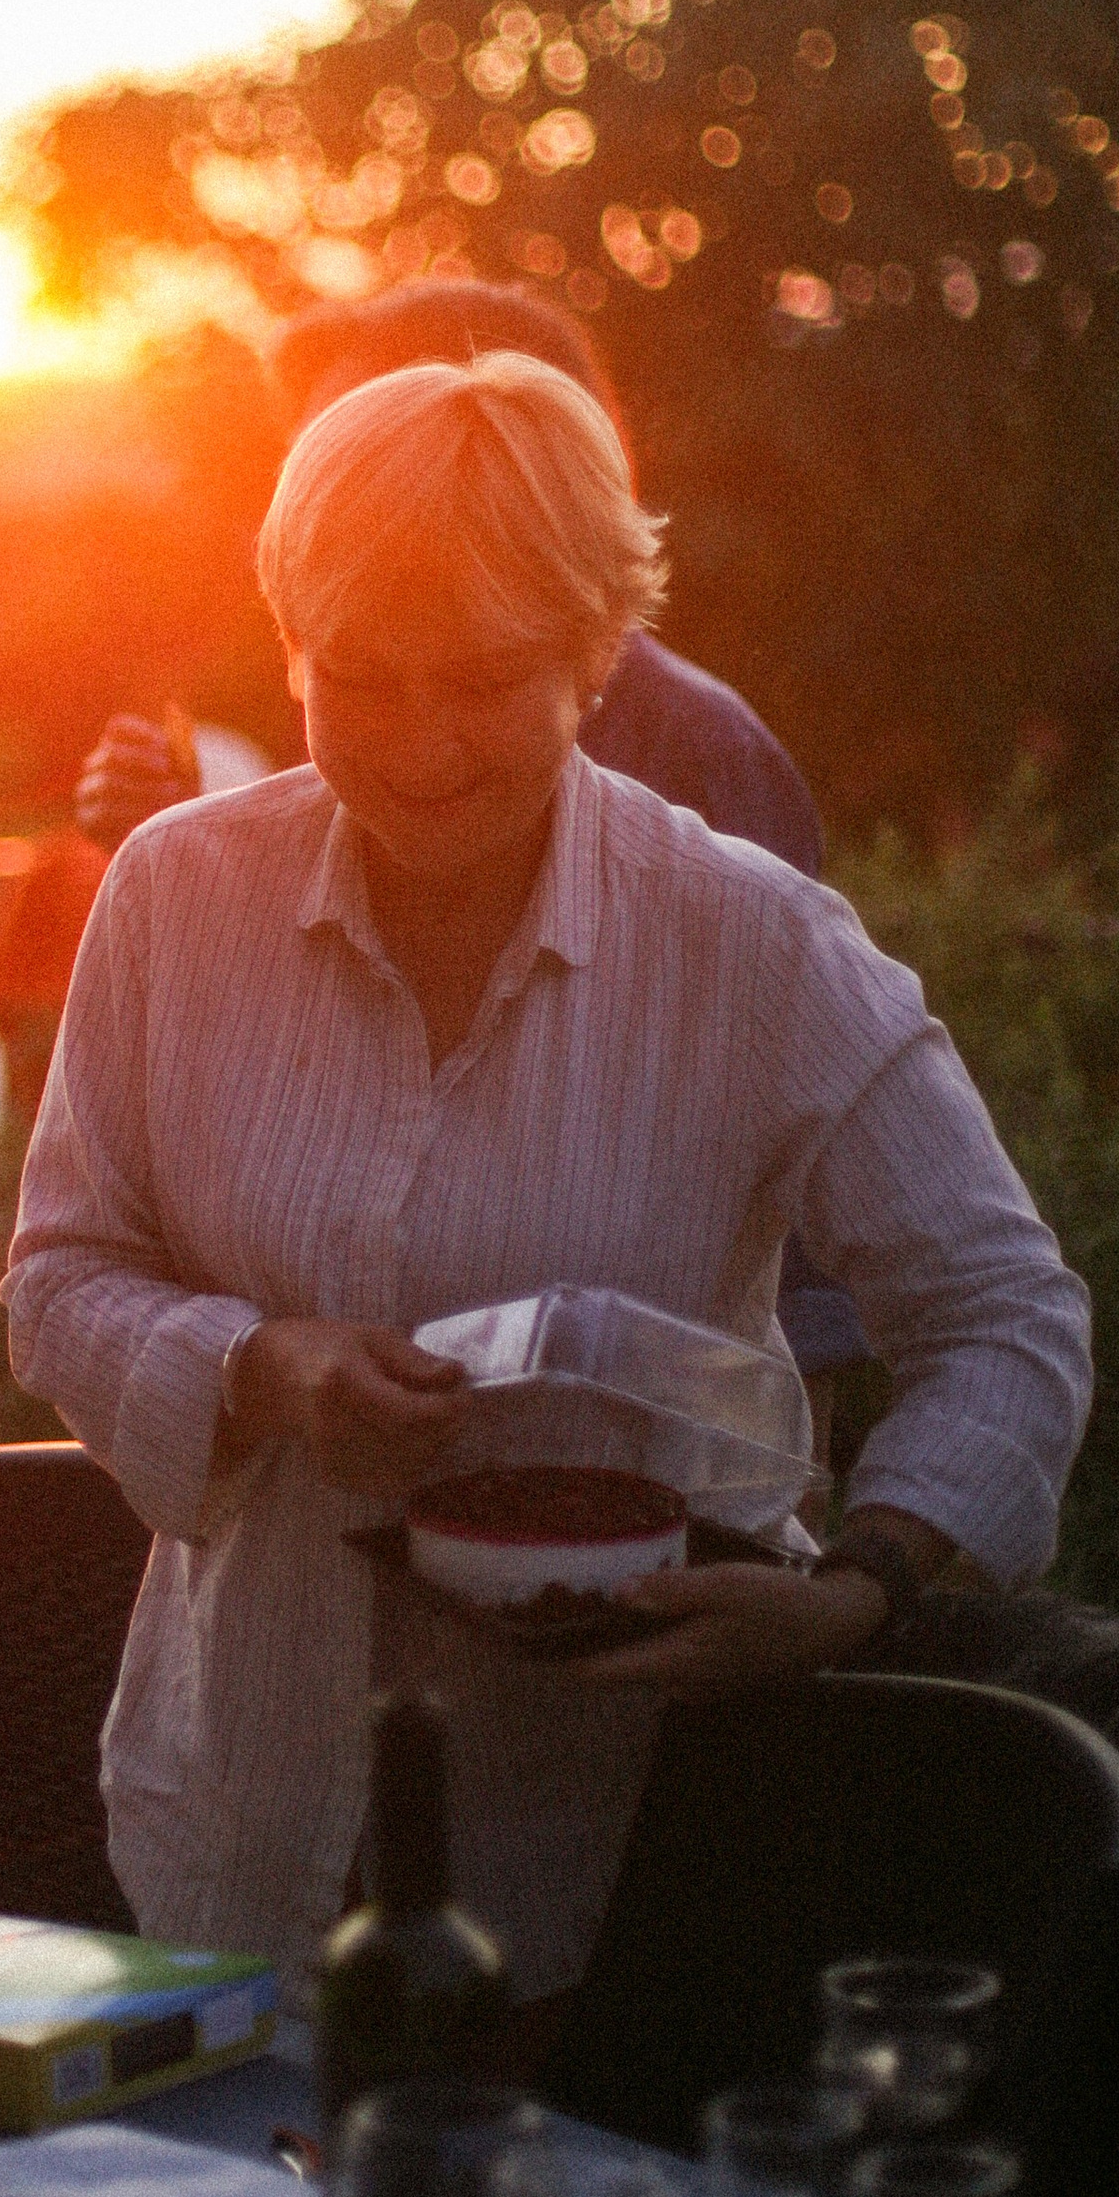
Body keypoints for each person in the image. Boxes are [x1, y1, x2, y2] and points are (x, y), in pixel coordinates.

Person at [3, 355, 1090, 2009]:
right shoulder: (174, 900)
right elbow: (62, 1276)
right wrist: (264, 1369)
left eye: (488, 677)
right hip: (234, 1819)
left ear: (594, 656)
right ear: (288, 644)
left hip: (635, 1849)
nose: (420, 745)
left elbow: (1008, 1316)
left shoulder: (747, 941)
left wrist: (857, 1590)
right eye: (358, 677)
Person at [74, 281, 864, 1402]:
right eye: (310, 456)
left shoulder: (697, 758)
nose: (327, 492)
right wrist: (187, 867)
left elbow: (781, 1210)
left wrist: (840, 1541)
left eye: (369, 442)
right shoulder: (328, 763)